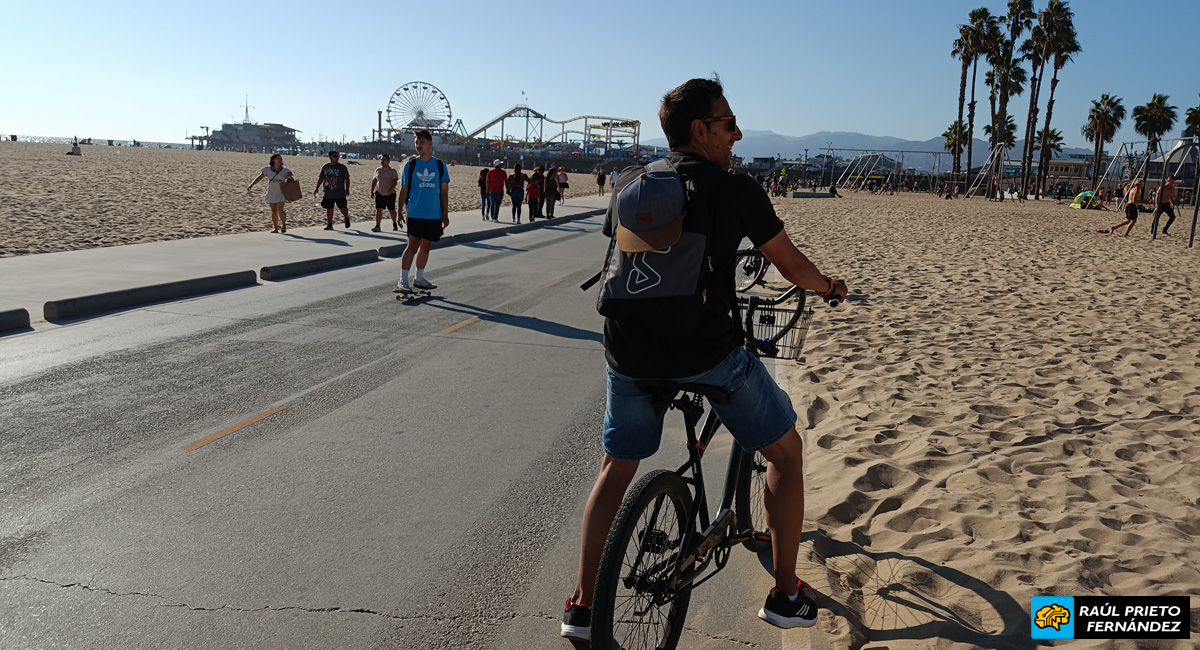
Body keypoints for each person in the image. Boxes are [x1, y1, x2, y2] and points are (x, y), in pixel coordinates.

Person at [561, 77, 848, 642]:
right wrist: (829, 286)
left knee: (615, 468)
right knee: (786, 452)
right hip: (705, 353)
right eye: (728, 123)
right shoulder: (735, 189)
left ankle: (580, 606)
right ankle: (786, 594)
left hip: (628, 349)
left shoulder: (629, 184)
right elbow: (791, 266)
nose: (737, 133)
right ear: (700, 130)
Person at [396, 130, 450, 292]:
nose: (418, 145)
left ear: (430, 144)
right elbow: (403, 190)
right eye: (416, 143)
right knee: (412, 246)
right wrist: (399, 212)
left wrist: (445, 215)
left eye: (421, 142)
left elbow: (444, 193)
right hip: (415, 213)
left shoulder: (440, 166)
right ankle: (402, 281)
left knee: (426, 247)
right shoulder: (410, 166)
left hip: (433, 214)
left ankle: (419, 278)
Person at [247, 153, 292, 233]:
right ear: (273, 160)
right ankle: (275, 228)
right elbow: (259, 177)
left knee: (280, 209)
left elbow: (290, 180)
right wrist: (252, 184)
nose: (280, 160)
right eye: (278, 158)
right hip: (271, 190)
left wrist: (289, 176)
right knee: (274, 210)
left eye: (280, 158)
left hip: (281, 190)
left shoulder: (285, 170)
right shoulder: (267, 169)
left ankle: (284, 224)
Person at [314, 150, 351, 230]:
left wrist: (347, 189)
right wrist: (317, 188)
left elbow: (347, 179)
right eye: (335, 156)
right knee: (329, 208)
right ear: (330, 157)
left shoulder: (342, 167)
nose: (337, 158)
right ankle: (329, 224)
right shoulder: (325, 167)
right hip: (328, 192)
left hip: (339, 192)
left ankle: (346, 218)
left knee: (342, 208)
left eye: (337, 156)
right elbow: (321, 178)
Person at [370, 154, 400, 232]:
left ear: (388, 161)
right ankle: (377, 226)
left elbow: (395, 181)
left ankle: (394, 223)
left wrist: (391, 188)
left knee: (391, 210)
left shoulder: (392, 171)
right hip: (379, 193)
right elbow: (374, 180)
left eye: (385, 160)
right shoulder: (378, 170)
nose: (383, 161)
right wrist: (372, 191)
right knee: (379, 209)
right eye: (382, 160)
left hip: (390, 194)